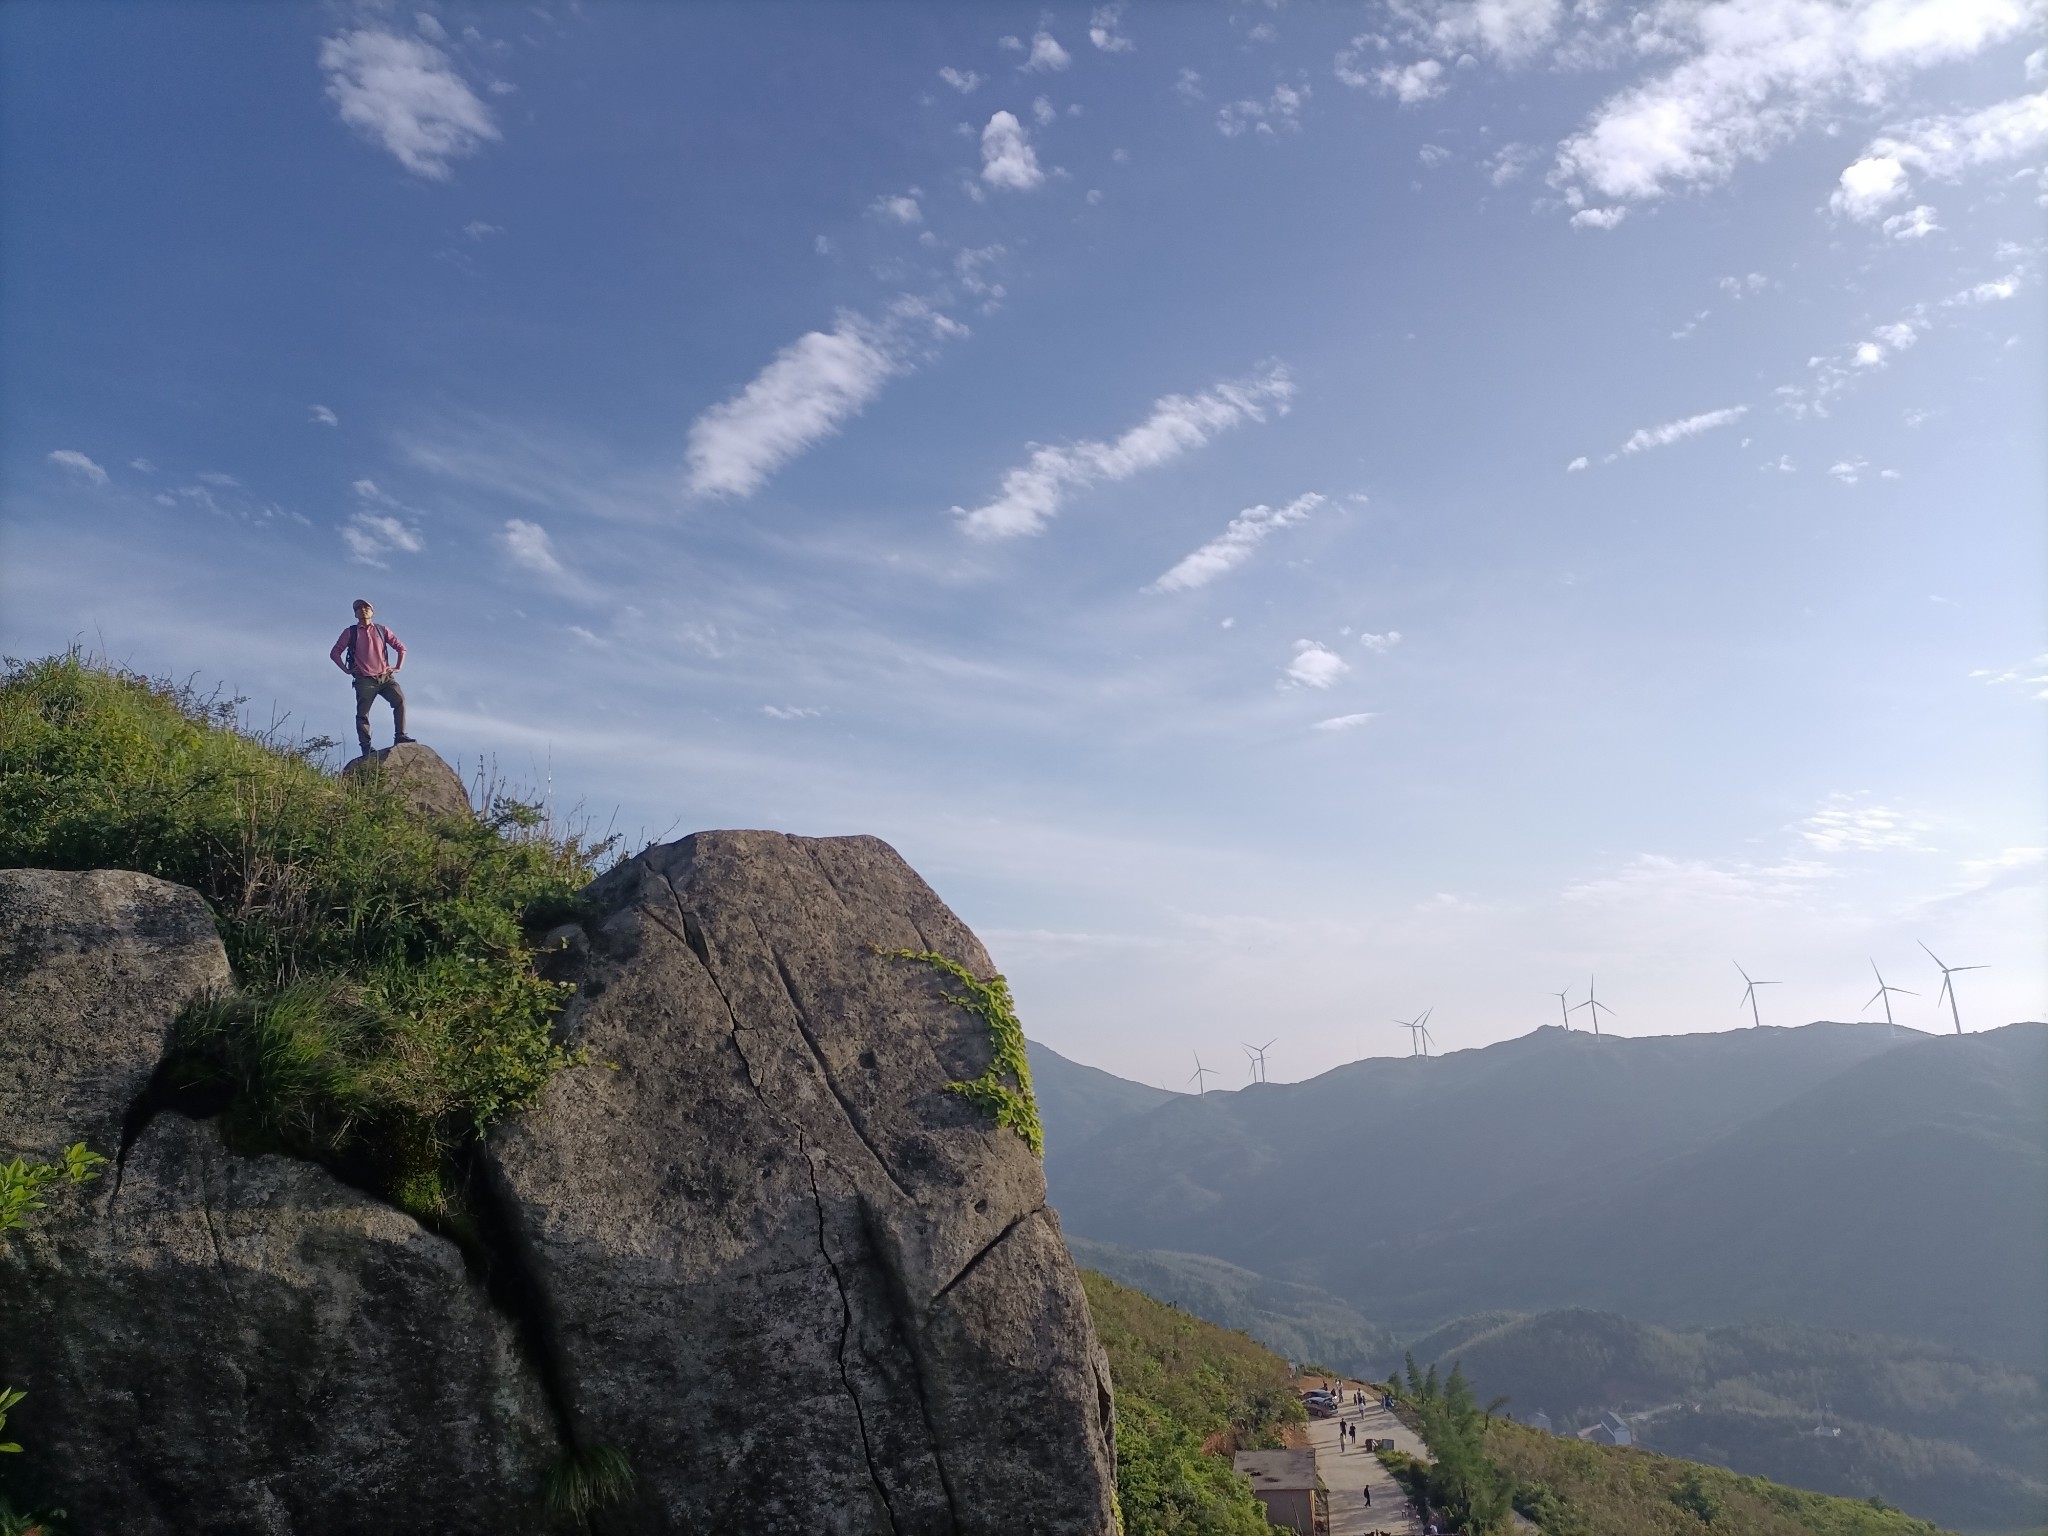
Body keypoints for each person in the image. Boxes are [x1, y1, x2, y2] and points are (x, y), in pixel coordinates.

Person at [330, 598, 411, 757]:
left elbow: (401, 648)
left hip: (385, 677)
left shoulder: (382, 630)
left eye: (366, 607)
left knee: (399, 700)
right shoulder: (350, 632)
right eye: (359, 608)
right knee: (363, 714)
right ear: (355, 614)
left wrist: (398, 667)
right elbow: (335, 653)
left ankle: (400, 736)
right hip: (364, 679)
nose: (363, 610)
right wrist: (346, 670)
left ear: (372, 612)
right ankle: (366, 748)